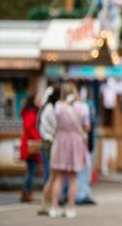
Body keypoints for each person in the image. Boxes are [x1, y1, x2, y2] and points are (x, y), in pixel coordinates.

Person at [49, 83, 91, 218]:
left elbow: (53, 123)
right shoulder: (83, 107)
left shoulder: (58, 107)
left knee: (58, 177)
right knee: (73, 178)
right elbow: (87, 127)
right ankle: (70, 208)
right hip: (76, 142)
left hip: (61, 141)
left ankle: (54, 207)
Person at [37, 86, 60, 215]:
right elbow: (56, 126)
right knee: (51, 176)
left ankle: (47, 203)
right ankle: (46, 203)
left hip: (46, 142)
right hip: (49, 143)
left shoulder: (46, 109)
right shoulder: (50, 109)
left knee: (50, 175)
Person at [19, 93, 41, 203]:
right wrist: (38, 138)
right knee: (31, 171)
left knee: (31, 170)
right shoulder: (32, 113)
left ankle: (27, 192)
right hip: (31, 144)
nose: (40, 100)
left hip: (28, 143)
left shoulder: (32, 112)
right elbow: (29, 128)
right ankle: (26, 192)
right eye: (38, 98)